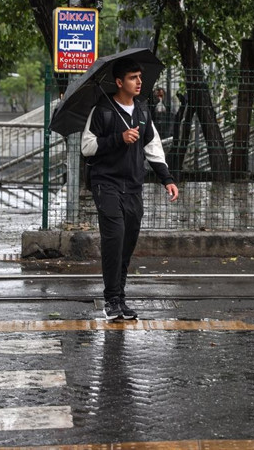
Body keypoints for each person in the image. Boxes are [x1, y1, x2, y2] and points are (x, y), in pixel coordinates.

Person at [81, 58, 179, 320]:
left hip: (133, 186)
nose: (139, 82)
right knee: (114, 238)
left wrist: (167, 178)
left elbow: (153, 147)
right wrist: (117, 139)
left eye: (140, 77)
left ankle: (120, 298)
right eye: (133, 77)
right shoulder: (102, 110)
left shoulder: (143, 111)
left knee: (127, 242)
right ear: (119, 82)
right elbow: (87, 147)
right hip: (106, 184)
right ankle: (111, 300)